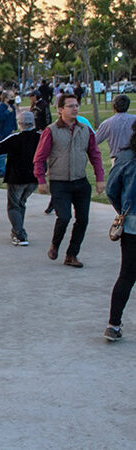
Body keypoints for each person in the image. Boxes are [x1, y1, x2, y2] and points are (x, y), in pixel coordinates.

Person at [34, 93, 106, 268]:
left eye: (76, 105)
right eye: (70, 106)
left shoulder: (85, 130)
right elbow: (40, 157)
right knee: (64, 217)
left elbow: (95, 154)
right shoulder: (51, 131)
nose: (75, 109)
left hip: (80, 182)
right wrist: (41, 180)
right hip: (60, 182)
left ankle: (72, 254)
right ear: (60, 110)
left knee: (83, 220)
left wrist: (100, 178)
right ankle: (55, 244)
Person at [0, 111, 40, 246]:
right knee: (21, 203)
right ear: (33, 123)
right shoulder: (40, 137)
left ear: (20, 124)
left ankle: (19, 234)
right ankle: (18, 230)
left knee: (14, 206)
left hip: (17, 178)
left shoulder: (15, 138)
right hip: (34, 178)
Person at [104, 123, 136, 342]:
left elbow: (111, 189)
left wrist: (123, 210)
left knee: (126, 275)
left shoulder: (126, 157)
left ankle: (113, 324)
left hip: (132, 224)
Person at [96, 94, 135, 161]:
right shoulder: (134, 120)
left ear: (113, 106)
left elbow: (95, 140)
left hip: (117, 159)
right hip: (134, 157)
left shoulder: (107, 123)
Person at [0, 91, 18, 178]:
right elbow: (0, 119)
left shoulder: (12, 107)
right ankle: (1, 171)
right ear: (5, 98)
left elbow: (14, 118)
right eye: (10, 97)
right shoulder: (0, 106)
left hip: (10, 131)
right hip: (2, 132)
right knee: (2, 152)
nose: (12, 99)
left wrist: (14, 128)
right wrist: (7, 112)